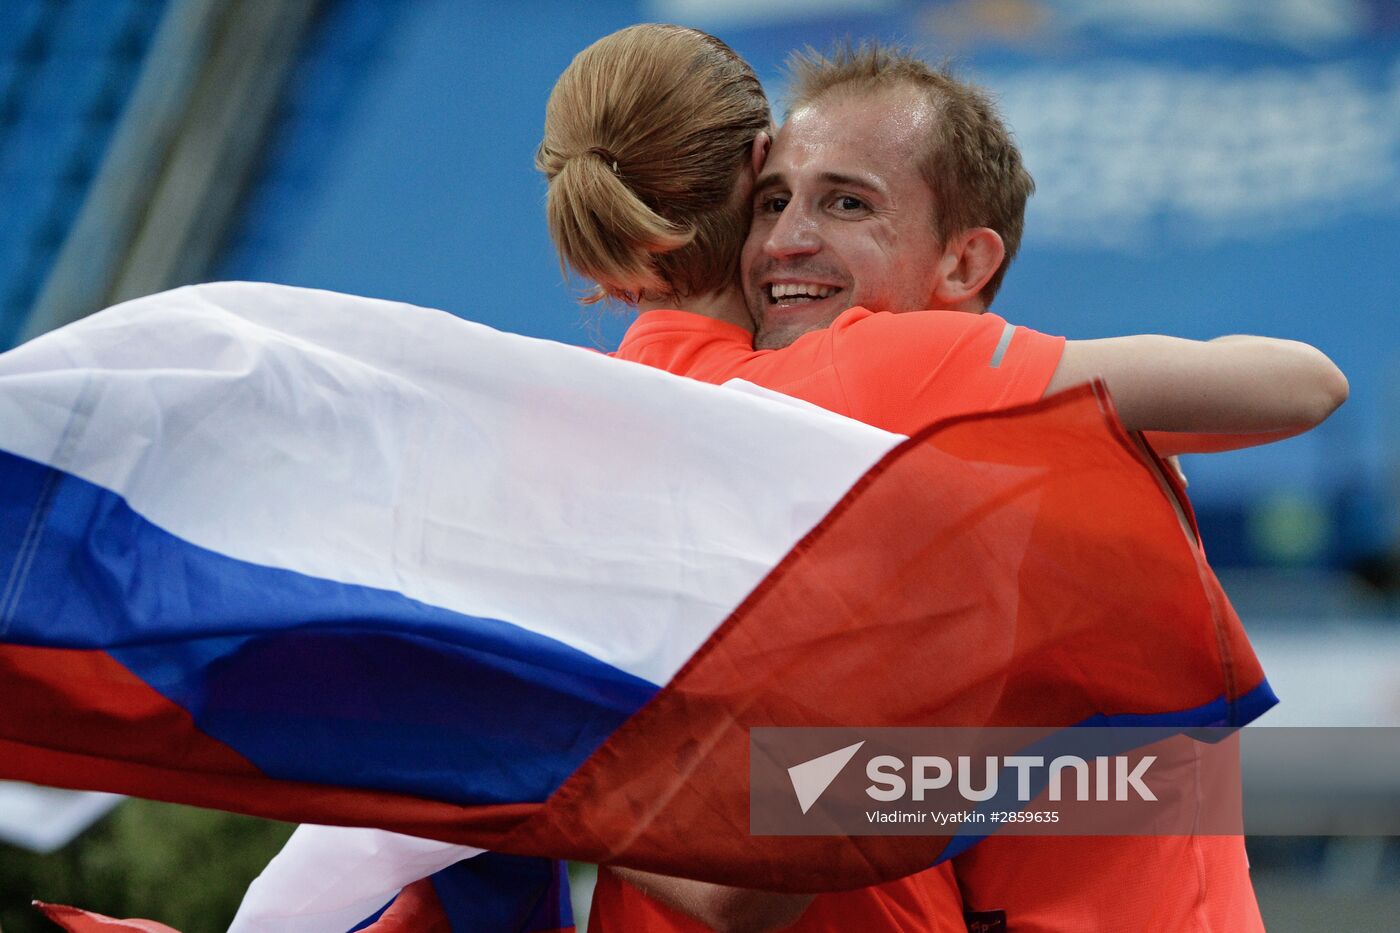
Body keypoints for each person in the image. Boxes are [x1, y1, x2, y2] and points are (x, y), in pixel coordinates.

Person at [539, 28, 1346, 932]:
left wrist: (551, 767)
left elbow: (767, 864)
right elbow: (1303, 382)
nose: (789, 240)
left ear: (966, 262)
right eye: (774, 200)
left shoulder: (833, 383)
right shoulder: (893, 395)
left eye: (846, 203)